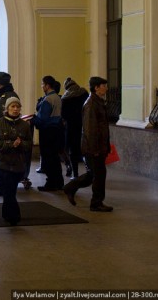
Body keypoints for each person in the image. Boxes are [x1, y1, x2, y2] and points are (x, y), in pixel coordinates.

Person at [63, 76, 113, 212]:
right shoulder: (91, 104)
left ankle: (70, 187)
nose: (106, 88)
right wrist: (94, 148)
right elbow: (90, 129)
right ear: (96, 88)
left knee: (93, 174)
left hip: (98, 146)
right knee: (98, 175)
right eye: (104, 85)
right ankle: (96, 203)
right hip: (93, 148)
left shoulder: (98, 102)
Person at [0, 97, 32, 225]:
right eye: (12, 107)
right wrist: (10, 144)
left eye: (17, 107)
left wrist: (20, 144)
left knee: (10, 190)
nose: (15, 109)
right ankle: (14, 216)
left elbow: (29, 143)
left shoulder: (24, 125)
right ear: (6, 109)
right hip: (3, 163)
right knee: (9, 189)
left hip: (18, 163)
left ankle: (6, 213)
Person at [28, 75, 64, 191]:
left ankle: (51, 183)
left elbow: (42, 119)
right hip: (56, 130)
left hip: (47, 131)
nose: (42, 86)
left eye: (42, 84)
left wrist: (33, 119)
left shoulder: (48, 100)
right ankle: (59, 182)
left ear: (47, 86)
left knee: (48, 158)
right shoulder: (57, 98)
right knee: (55, 158)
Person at [61, 77, 88, 179]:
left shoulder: (65, 97)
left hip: (71, 127)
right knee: (85, 151)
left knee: (72, 151)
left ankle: (75, 173)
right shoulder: (84, 93)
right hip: (84, 125)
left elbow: (63, 114)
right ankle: (89, 171)